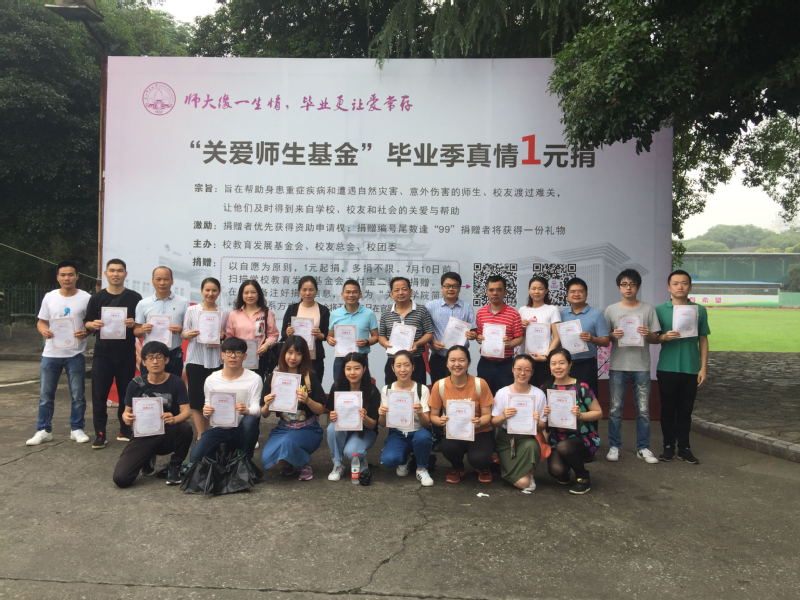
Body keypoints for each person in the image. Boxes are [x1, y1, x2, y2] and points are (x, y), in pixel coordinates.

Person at [26, 260, 91, 446]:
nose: (67, 278)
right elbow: (41, 321)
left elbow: (91, 323)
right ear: (57, 277)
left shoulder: (86, 298)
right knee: (46, 396)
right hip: (51, 354)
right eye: (63, 275)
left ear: (77, 276)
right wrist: (43, 330)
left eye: (70, 274)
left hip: (75, 354)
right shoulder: (50, 297)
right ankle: (43, 430)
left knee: (78, 395)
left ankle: (77, 429)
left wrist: (86, 331)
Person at [112, 341, 193, 487]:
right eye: (150, 358)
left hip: (167, 432)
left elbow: (187, 411)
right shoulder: (134, 384)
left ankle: (175, 465)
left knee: (185, 428)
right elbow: (126, 413)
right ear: (144, 362)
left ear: (166, 360)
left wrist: (175, 419)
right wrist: (127, 418)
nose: (155, 362)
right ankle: (147, 457)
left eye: (159, 357)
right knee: (121, 479)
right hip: (143, 435)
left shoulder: (176, 382)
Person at [653, 269, 710, 465]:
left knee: (686, 410)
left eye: (684, 283)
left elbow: (703, 340)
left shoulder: (699, 310)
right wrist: (663, 337)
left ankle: (684, 447)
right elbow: (653, 338)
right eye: (675, 283)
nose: (680, 287)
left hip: (691, 368)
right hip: (667, 367)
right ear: (669, 287)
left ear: (690, 287)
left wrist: (703, 368)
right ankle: (668, 446)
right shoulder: (660, 310)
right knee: (668, 409)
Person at [83, 258, 142, 448]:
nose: (116, 274)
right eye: (112, 270)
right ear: (106, 274)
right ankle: (100, 433)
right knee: (99, 395)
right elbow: (87, 322)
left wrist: (134, 324)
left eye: (120, 270)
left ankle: (125, 429)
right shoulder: (97, 298)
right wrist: (92, 324)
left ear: (125, 274)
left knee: (127, 393)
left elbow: (140, 326)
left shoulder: (135, 298)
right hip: (103, 354)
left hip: (126, 353)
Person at [603, 269, 661, 464]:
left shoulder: (648, 309)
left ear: (638, 286)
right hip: (618, 365)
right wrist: (613, 335)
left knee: (643, 410)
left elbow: (655, 338)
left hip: (641, 366)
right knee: (615, 409)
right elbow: (604, 337)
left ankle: (643, 447)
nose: (628, 288)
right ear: (619, 287)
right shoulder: (611, 310)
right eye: (624, 284)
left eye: (632, 284)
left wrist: (648, 334)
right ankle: (614, 446)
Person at [261, 335, 326, 481]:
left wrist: (308, 400)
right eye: (290, 352)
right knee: (267, 459)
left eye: (298, 353)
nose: (293, 357)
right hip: (284, 427)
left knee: (287, 443)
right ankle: (290, 463)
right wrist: (266, 404)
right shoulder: (274, 378)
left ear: (304, 356)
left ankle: (304, 463)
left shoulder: (309, 377)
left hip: (308, 428)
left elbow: (321, 410)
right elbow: (264, 414)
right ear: (283, 353)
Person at [189, 337, 263, 464]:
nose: (233, 356)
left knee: (250, 420)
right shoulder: (212, 379)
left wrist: (246, 410)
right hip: (219, 428)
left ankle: (245, 460)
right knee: (195, 457)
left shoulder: (254, 379)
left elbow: (257, 409)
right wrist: (206, 412)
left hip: (241, 429)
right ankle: (222, 453)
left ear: (245, 356)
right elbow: (207, 409)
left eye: (238, 353)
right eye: (229, 352)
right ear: (222, 355)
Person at [428, 345, 495, 484]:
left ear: (468, 363)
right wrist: (440, 421)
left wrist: (479, 422)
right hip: (455, 432)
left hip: (479, 432)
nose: (457, 364)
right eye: (452, 360)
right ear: (447, 363)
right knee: (447, 447)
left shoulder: (480, 384)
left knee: (479, 458)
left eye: (461, 360)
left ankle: (483, 467)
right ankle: (457, 467)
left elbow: (487, 415)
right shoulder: (439, 385)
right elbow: (433, 415)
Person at [543, 348, 602, 495]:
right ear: (549, 367)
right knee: (557, 471)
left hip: (582, 437)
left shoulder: (581, 387)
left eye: (562, 363)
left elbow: (598, 413)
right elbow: (542, 421)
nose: (557, 367)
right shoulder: (546, 388)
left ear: (570, 365)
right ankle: (567, 467)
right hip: (557, 438)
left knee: (565, 447)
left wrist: (581, 415)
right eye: (553, 363)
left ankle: (583, 476)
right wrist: (544, 415)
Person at [491, 355, 548, 493]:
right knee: (523, 483)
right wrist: (503, 416)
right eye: (519, 369)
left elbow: (542, 426)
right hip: (506, 440)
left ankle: (527, 472)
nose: (522, 373)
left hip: (528, 438)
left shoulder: (539, 394)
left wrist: (537, 422)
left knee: (531, 446)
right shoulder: (502, 393)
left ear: (532, 372)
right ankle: (515, 472)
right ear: (512, 369)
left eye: (527, 370)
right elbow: (493, 422)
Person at [378, 350, 434, 487]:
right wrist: (382, 414)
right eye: (398, 365)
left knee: (423, 437)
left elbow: (427, 424)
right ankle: (405, 459)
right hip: (397, 433)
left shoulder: (422, 389)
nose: (403, 370)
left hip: (418, 431)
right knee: (388, 460)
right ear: (393, 368)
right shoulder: (387, 389)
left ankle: (422, 468)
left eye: (407, 365)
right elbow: (382, 424)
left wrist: (420, 413)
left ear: (413, 367)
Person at [326, 352, 381, 485]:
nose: (352, 372)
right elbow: (330, 414)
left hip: (365, 431)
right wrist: (332, 416)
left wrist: (364, 417)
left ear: (364, 369)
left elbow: (373, 425)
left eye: (357, 368)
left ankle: (360, 460)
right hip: (344, 428)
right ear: (343, 369)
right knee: (332, 428)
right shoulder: (337, 386)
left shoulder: (372, 390)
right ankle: (338, 464)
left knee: (352, 453)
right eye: (348, 368)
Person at [182, 277, 227, 440]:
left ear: (219, 292)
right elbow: (184, 333)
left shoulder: (223, 312)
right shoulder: (192, 310)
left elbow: (226, 334)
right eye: (207, 290)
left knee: (213, 399)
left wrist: (222, 335)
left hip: (216, 360)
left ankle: (210, 432)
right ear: (202, 291)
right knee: (196, 399)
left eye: (214, 290)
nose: (210, 293)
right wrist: (188, 334)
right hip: (196, 359)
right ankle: (201, 434)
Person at [378, 277, 434, 386]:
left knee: (417, 391)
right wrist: (385, 343)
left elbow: (429, 333)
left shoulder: (421, 310)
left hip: (416, 360)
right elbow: (381, 335)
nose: (400, 293)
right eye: (396, 290)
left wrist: (417, 343)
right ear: (391, 294)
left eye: (404, 289)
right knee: (392, 391)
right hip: (393, 361)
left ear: (410, 291)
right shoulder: (386, 313)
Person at [133, 266, 188, 378]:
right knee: (148, 387)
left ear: (172, 281)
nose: (162, 283)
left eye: (166, 279)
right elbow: (136, 331)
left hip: (173, 354)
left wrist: (181, 330)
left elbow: (188, 330)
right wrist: (142, 329)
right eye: (158, 279)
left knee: (173, 387)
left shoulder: (183, 302)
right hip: (150, 355)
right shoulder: (143, 304)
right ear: (152, 281)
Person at [559, 277, 609, 396]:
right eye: (573, 291)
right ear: (567, 295)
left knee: (587, 397)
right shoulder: (561, 314)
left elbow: (606, 341)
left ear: (586, 294)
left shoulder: (596, 314)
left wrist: (592, 339)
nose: (576, 294)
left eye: (580, 291)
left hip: (587, 363)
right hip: (564, 363)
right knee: (566, 397)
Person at [475, 275, 523, 394]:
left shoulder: (514, 314)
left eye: (499, 290)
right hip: (485, 363)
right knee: (484, 396)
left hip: (506, 364)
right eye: (491, 290)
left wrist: (510, 343)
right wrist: (479, 338)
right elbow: (479, 336)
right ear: (486, 292)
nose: (495, 293)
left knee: (505, 397)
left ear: (505, 292)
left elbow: (519, 337)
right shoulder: (480, 313)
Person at [425, 271, 477, 383]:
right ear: (442, 288)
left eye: (455, 286)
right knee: (438, 388)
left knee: (460, 388)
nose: (451, 289)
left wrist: (472, 335)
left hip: (460, 359)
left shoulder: (467, 307)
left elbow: (473, 331)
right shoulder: (430, 306)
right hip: (438, 357)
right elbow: (424, 330)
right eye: (447, 286)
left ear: (460, 288)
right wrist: (431, 341)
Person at [327, 279, 379, 381]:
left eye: (354, 292)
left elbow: (376, 337)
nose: (351, 295)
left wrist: (366, 341)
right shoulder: (335, 314)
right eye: (348, 292)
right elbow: (330, 336)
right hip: (341, 358)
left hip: (361, 358)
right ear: (342, 294)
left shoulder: (369, 314)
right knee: (339, 387)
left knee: (362, 388)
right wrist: (330, 340)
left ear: (360, 294)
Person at [225, 279, 279, 378]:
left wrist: (266, 345)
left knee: (257, 384)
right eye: (246, 293)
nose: (250, 295)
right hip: (238, 358)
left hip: (259, 359)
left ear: (259, 294)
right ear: (241, 295)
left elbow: (273, 335)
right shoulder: (233, 314)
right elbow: (229, 337)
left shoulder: (267, 313)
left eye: (253, 292)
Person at [281, 275, 330, 380]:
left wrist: (319, 335)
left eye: (311, 290)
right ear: (299, 291)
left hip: (314, 358)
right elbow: (283, 333)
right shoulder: (292, 309)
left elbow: (326, 335)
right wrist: (288, 332)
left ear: (316, 291)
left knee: (314, 385)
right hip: (294, 357)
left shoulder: (323, 310)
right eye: (304, 290)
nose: (307, 293)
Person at [518, 275, 561, 387]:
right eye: (533, 288)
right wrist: (521, 327)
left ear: (546, 291)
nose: (536, 291)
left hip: (543, 359)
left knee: (543, 390)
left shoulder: (552, 309)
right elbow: (518, 336)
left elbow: (557, 338)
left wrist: (546, 356)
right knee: (525, 390)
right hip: (525, 359)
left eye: (540, 288)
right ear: (529, 290)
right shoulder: (522, 310)